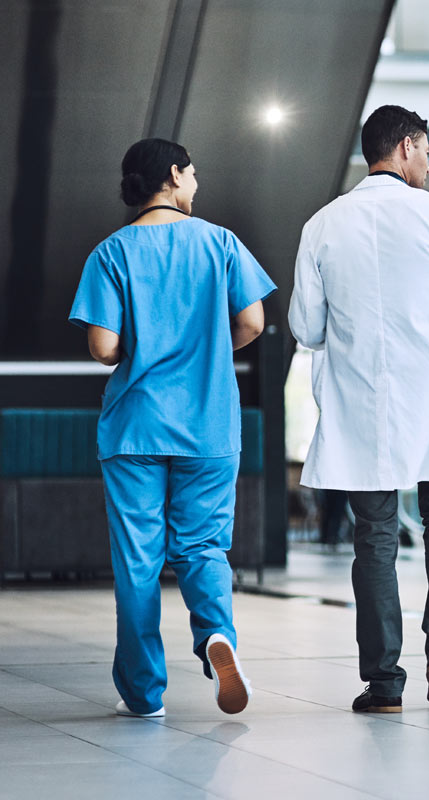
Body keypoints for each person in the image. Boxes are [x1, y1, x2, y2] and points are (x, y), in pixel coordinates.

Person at [288, 105, 429, 712]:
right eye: (428, 151)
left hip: (364, 407)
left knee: (375, 538)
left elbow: (305, 326)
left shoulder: (322, 225)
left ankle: (383, 683)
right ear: (406, 146)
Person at [69, 138, 276, 717]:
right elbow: (253, 322)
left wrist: (141, 350)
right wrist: (208, 347)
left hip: (134, 428)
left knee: (137, 560)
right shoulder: (221, 243)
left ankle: (142, 694)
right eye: (192, 174)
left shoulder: (111, 253)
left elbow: (103, 346)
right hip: (208, 424)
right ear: (173, 175)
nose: (196, 184)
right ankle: (217, 639)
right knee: (203, 546)